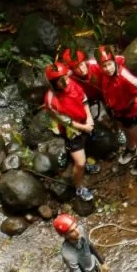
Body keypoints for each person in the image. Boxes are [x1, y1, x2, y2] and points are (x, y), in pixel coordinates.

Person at [43, 61, 98, 201]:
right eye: (63, 79)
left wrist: (89, 119)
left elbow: (83, 99)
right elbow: (65, 121)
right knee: (80, 163)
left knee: (88, 143)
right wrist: (84, 127)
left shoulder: (71, 84)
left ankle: (86, 162)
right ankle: (79, 187)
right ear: (55, 82)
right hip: (71, 131)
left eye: (67, 78)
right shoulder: (51, 100)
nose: (67, 81)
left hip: (84, 122)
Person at [96, 45, 137, 175]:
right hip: (118, 110)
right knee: (126, 132)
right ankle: (131, 149)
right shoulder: (105, 75)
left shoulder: (124, 76)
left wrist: (135, 97)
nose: (107, 69)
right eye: (104, 66)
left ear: (114, 62)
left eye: (109, 64)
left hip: (131, 111)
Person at [61, 48, 105, 120]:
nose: (81, 69)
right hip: (91, 98)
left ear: (84, 61)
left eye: (81, 64)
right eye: (76, 67)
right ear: (72, 69)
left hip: (105, 93)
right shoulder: (71, 79)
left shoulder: (96, 65)